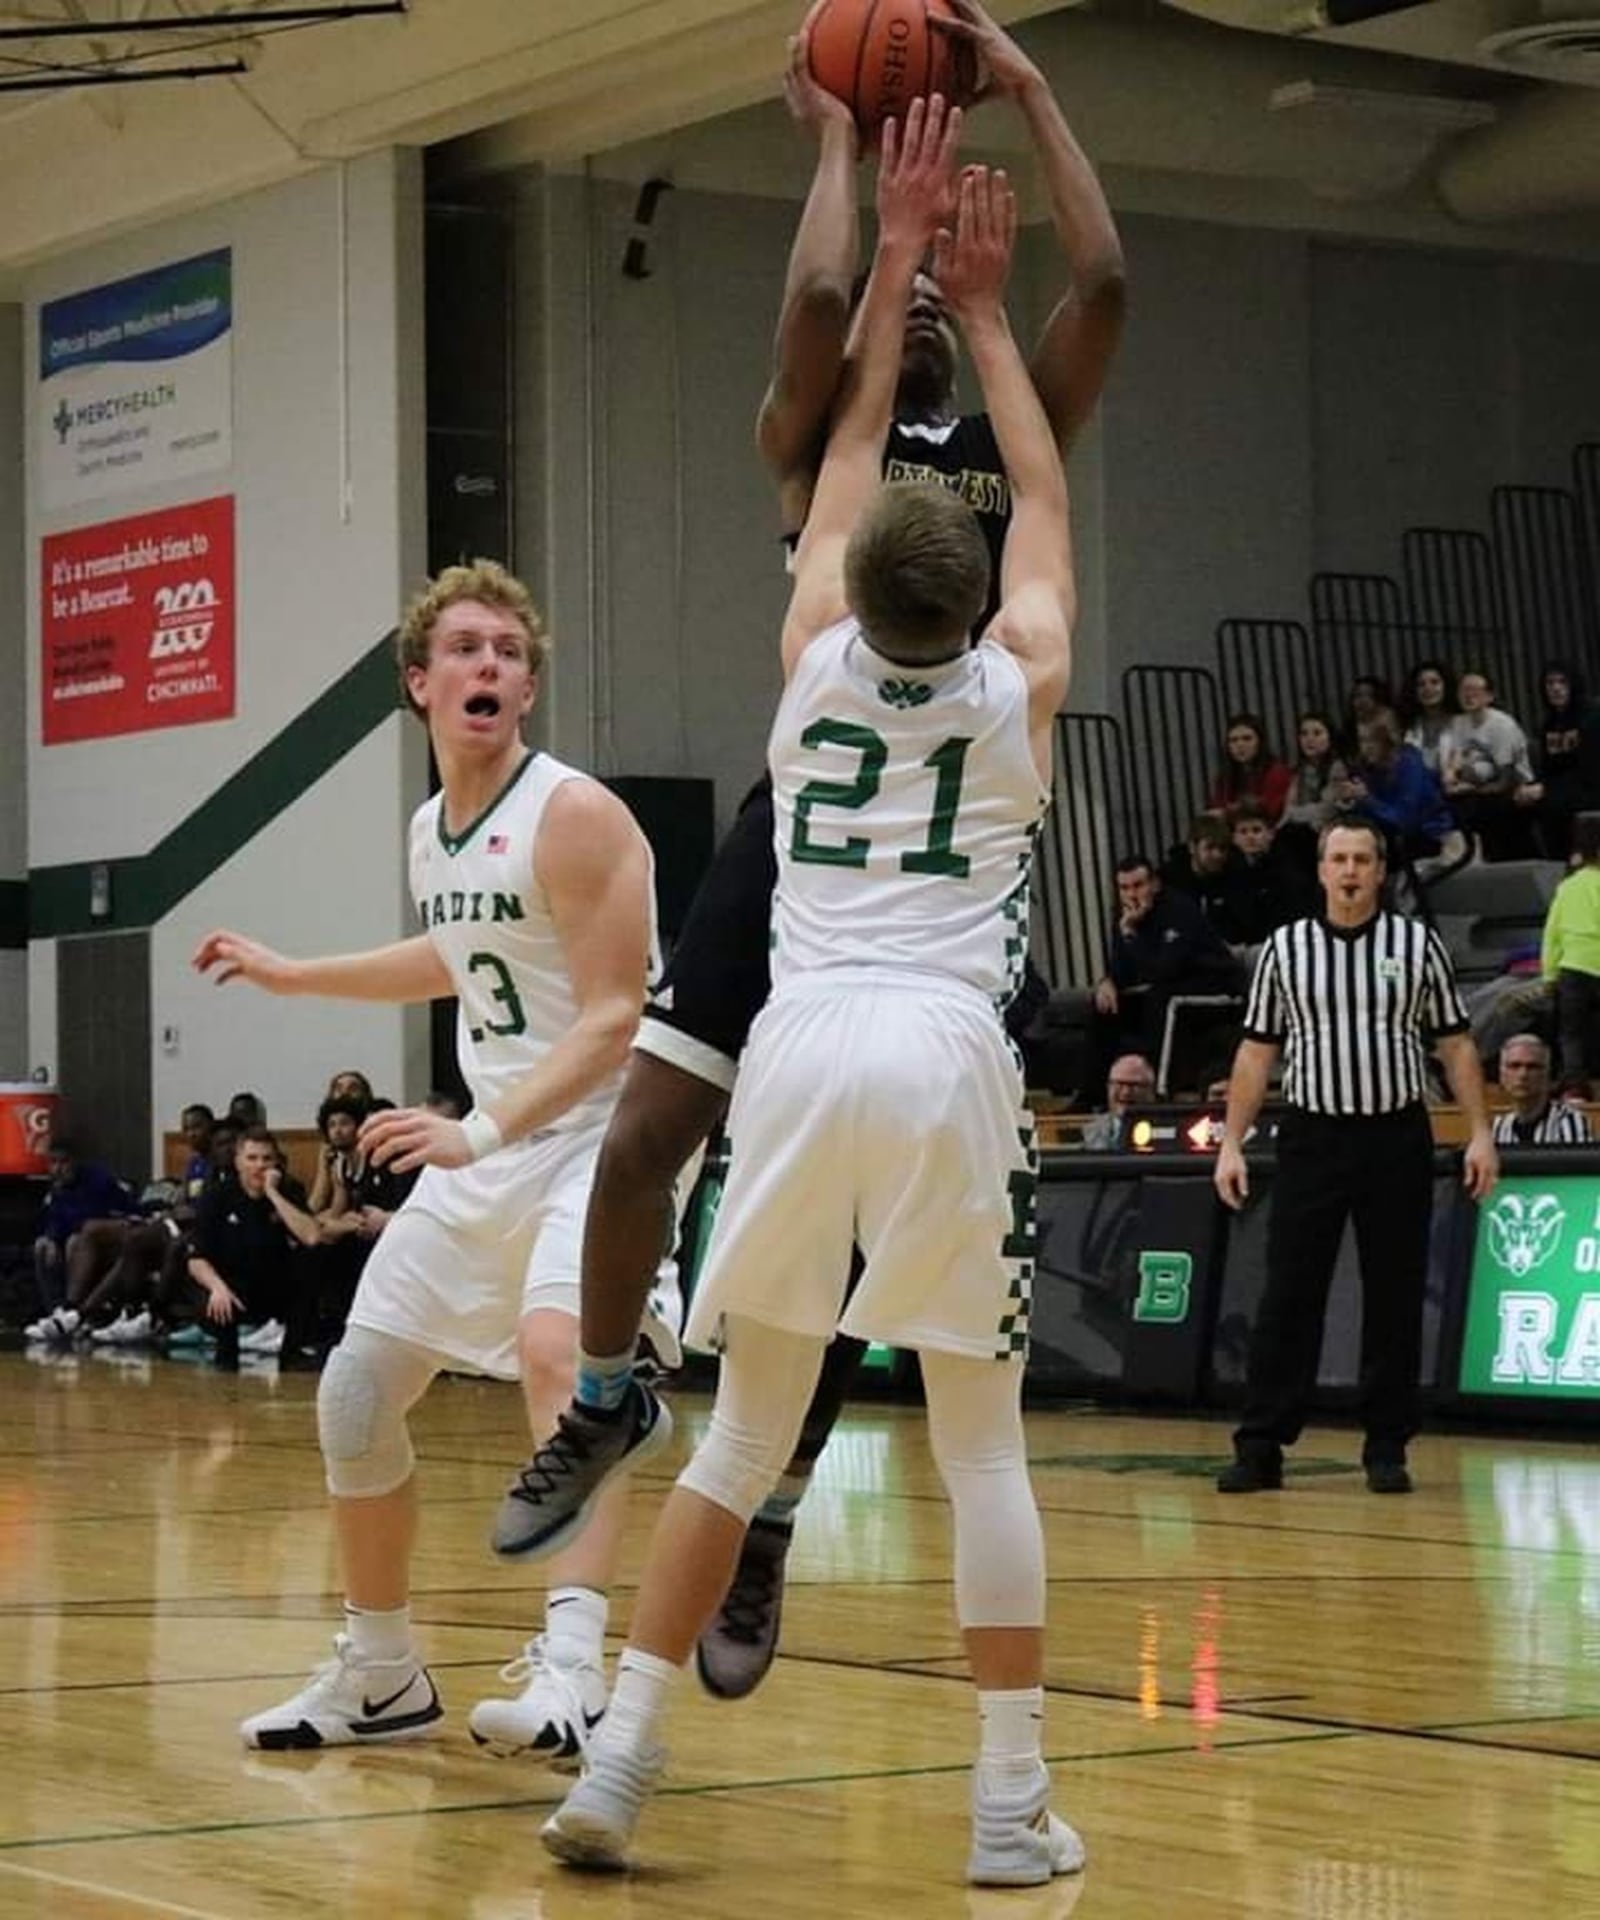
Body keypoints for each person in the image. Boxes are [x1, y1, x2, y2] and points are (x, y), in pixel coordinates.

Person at [487, 0, 1125, 1709]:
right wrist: (844, 152)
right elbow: (820, 310)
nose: (912, 306)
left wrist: (1039, 100)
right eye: (899, 298)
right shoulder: (816, 430)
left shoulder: (1005, 432)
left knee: (841, 1235)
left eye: (935, 296)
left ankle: (763, 1505)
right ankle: (615, 1388)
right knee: (643, 1146)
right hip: (804, 846)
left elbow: (1109, 290)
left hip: (945, 874)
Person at [193, 558, 662, 1758]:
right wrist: (299, 974)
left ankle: (572, 1670)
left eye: (508, 653)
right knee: (353, 1396)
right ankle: (383, 1671)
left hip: (601, 1143)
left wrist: (477, 1129)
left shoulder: (576, 814)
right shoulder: (432, 828)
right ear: (420, 683)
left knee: (566, 1360)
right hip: (494, 1146)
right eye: (465, 648)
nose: (489, 667)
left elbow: (615, 1016)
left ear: (526, 689)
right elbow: (457, 953)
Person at [1213, 820, 1497, 1496]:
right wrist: (1229, 1141)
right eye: (1338, 859)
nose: (1349, 871)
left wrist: (1482, 1132)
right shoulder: (1285, 950)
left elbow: (1456, 1045)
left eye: (1362, 860)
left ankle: (1386, 1444)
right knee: (1289, 1295)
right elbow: (1256, 1052)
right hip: (1312, 1136)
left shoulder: (1416, 943)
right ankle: (1261, 1444)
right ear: (1320, 870)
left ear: (1379, 871)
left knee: (1395, 1294)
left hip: (1395, 1134)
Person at [1441, 668, 1536, 862]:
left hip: (1512, 790)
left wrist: (1471, 789)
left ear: (1489, 696)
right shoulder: (1458, 723)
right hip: (1476, 788)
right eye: (1464, 690)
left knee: (1486, 812)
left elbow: (1506, 780)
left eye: (1475, 690)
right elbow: (1453, 762)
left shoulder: (1502, 725)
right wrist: (1451, 779)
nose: (1469, 695)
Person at [1541, 811, 1600, 1097]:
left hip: (1573, 967)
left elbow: (1552, 935)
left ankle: (1575, 1085)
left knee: (1572, 1033)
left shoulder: (1567, 887)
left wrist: (1549, 975)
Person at [1491, 1033, 1592, 1146]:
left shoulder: (1569, 1121)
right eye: (1514, 1066)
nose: (1523, 1074)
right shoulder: (1499, 1127)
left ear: (1548, 1075)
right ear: (1501, 1075)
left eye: (1532, 1067)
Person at [1208, 713, 1290, 825]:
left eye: (1247, 739)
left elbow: (1270, 811)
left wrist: (1228, 812)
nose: (1240, 745)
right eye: (1233, 740)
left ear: (1260, 742)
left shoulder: (1276, 772)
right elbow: (1216, 809)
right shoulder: (1225, 777)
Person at [1080, 1053, 1155, 1150]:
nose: (1126, 1092)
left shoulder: (1164, 1131)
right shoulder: (1089, 1133)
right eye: (1119, 1084)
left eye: (1134, 1085)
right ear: (1108, 1087)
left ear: (1150, 1090)